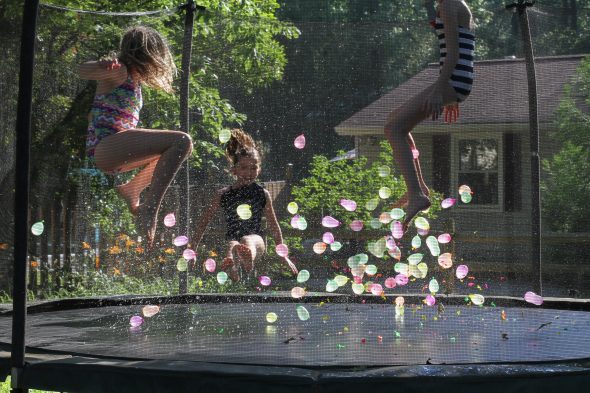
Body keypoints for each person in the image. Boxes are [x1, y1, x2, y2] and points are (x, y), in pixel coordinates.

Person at [78, 26, 193, 247]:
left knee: (178, 150)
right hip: (106, 147)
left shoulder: (135, 81)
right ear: (147, 55)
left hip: (114, 152)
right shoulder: (119, 70)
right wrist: (100, 65)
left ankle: (133, 189)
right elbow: (82, 70)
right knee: (181, 141)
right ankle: (150, 210)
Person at [384, 0, 475, 230]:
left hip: (453, 80)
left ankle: (416, 194)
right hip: (456, 82)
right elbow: (458, 46)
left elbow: (454, 53)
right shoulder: (449, 5)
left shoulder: (450, 4)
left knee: (394, 129)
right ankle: (419, 188)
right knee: (394, 121)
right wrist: (450, 95)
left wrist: (440, 91)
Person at [191, 129, 298, 282]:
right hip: (232, 238)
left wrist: (283, 256)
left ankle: (247, 258)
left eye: (253, 168)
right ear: (233, 170)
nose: (249, 172)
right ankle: (231, 266)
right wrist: (192, 249)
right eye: (244, 168)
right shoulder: (223, 194)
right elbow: (203, 222)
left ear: (259, 169)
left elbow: (274, 226)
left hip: (257, 239)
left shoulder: (262, 194)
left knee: (247, 240)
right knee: (232, 245)